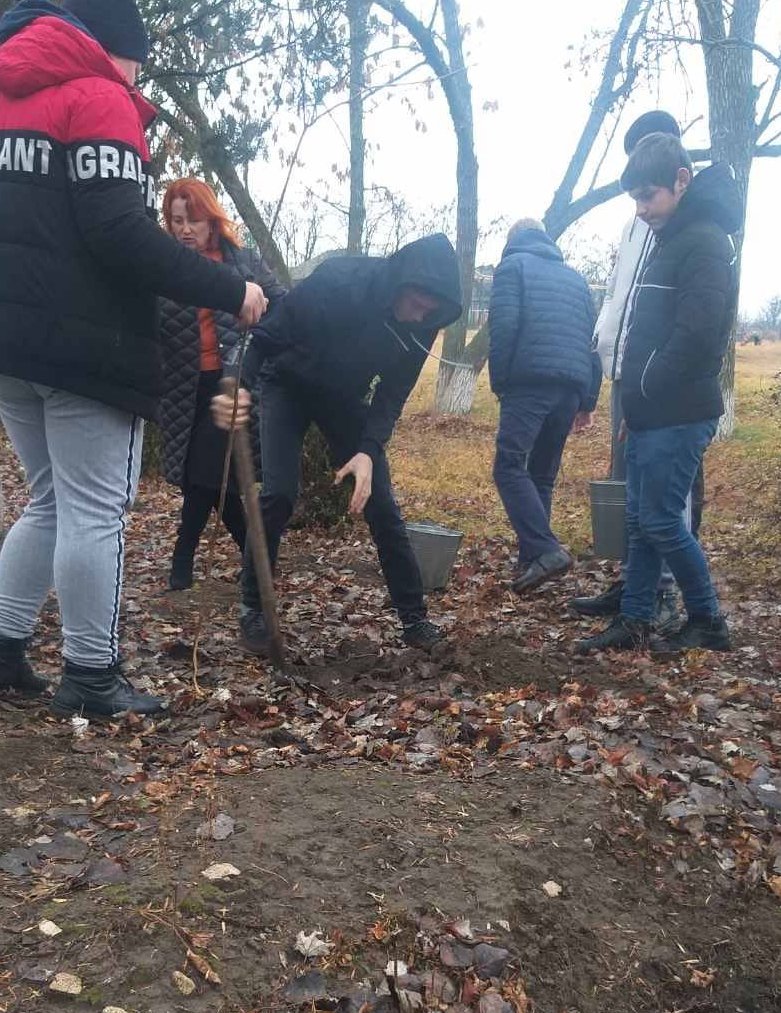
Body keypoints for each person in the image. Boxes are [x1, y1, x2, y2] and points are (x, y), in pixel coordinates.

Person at [0, 0, 268, 717]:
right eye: (137, 66)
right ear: (117, 50)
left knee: (51, 499)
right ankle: (91, 677)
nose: (137, 82)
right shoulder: (98, 99)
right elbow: (122, 236)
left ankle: (0, 653)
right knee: (95, 508)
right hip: (85, 347)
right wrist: (231, 290)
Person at [234, 234, 463, 655]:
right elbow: (266, 337)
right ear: (400, 283)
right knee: (279, 494)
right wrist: (240, 387)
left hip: (343, 399)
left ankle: (414, 618)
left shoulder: (424, 322)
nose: (420, 317)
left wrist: (368, 451)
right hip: (287, 383)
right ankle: (252, 606)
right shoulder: (339, 281)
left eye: (429, 312)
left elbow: (392, 394)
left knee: (383, 505)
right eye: (416, 305)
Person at [576, 132, 738, 654]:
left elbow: (698, 334)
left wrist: (645, 387)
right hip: (651, 411)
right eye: (635, 199)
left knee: (663, 520)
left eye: (648, 196)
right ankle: (635, 619)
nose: (641, 209)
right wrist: (637, 406)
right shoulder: (671, 239)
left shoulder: (706, 241)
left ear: (681, 181)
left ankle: (708, 620)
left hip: (681, 410)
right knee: (639, 521)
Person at [157, 178, 286, 591]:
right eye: (176, 221)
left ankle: (183, 559)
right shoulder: (164, 266)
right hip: (182, 389)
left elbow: (283, 308)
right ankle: (256, 556)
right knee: (212, 480)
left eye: (193, 220)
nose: (184, 230)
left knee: (206, 473)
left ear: (212, 220)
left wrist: (258, 321)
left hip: (232, 383)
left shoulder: (243, 263)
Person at [487, 218, 602, 592]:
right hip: (571, 388)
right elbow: (592, 343)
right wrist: (587, 400)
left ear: (513, 240)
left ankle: (546, 549)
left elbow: (503, 327)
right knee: (542, 475)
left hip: (530, 381)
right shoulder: (576, 279)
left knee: (508, 465)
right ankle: (533, 560)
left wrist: (501, 382)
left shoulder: (512, 266)